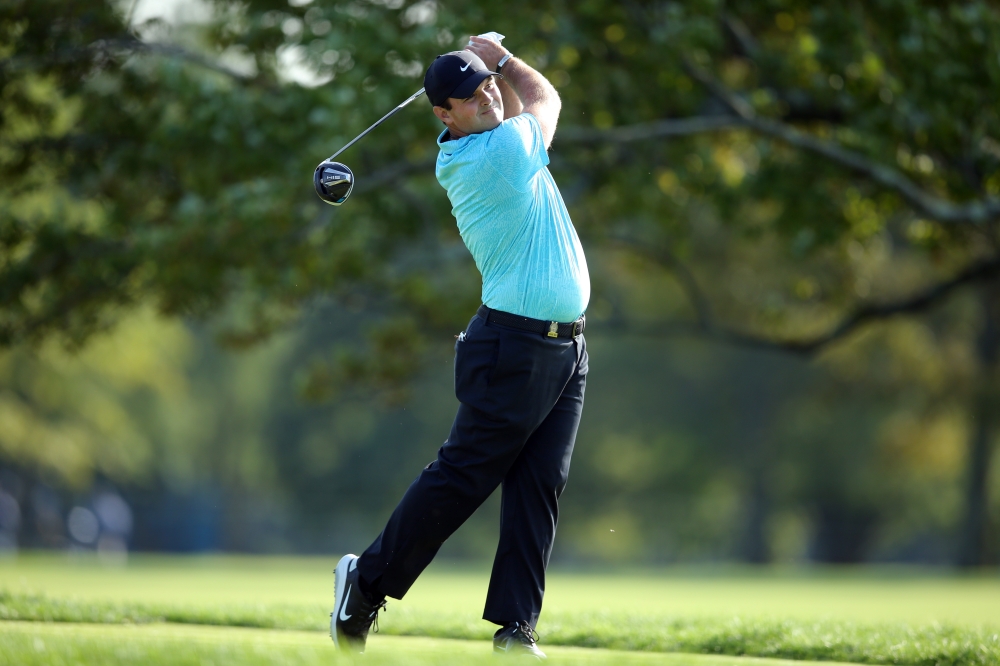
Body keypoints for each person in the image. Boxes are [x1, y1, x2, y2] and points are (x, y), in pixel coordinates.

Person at [331, 34, 590, 659]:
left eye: (488, 85)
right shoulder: (494, 155)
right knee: (462, 479)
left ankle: (515, 629)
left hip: (566, 348)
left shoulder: (492, 137)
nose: (490, 95)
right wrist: (503, 58)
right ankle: (364, 586)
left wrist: (491, 66)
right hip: (514, 347)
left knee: (539, 486)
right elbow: (546, 96)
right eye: (473, 96)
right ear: (445, 116)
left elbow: (525, 100)